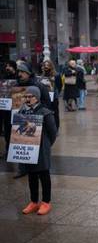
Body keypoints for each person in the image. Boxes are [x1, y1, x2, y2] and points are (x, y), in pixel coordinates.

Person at [19, 86, 57, 215]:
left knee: (44, 175)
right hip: (28, 149)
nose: (28, 99)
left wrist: (46, 145)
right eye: (26, 97)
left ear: (37, 97)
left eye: (31, 97)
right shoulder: (22, 111)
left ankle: (46, 202)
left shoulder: (45, 112)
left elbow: (53, 132)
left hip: (41, 149)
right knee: (32, 175)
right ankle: (34, 202)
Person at [40, 60, 62, 130]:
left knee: (55, 113)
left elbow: (60, 86)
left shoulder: (56, 75)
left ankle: (56, 128)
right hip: (44, 98)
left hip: (54, 97)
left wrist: (55, 92)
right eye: (45, 65)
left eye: (48, 65)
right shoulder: (42, 76)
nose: (46, 66)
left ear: (51, 66)